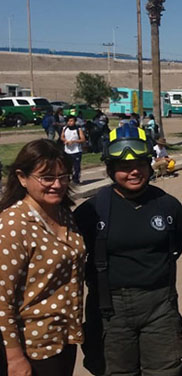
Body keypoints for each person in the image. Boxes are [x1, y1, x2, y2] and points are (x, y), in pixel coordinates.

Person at [74, 124, 182, 376]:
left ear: (149, 165)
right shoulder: (90, 213)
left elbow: (177, 245)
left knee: (165, 370)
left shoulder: (168, 206)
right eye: (124, 168)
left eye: (140, 165)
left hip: (160, 304)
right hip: (109, 308)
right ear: (111, 169)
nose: (134, 172)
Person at [0, 139, 86, 376]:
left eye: (63, 176)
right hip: (32, 346)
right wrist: (15, 358)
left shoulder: (64, 214)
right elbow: (2, 300)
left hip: (64, 338)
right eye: (47, 178)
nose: (57, 185)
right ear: (22, 177)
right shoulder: (13, 225)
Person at [60, 115, 86, 184]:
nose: (70, 122)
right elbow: (62, 137)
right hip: (67, 151)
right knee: (67, 166)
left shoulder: (78, 129)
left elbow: (83, 139)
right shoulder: (65, 128)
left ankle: (76, 179)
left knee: (76, 166)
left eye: (72, 121)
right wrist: (65, 140)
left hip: (76, 150)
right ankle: (67, 179)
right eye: (69, 121)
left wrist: (74, 141)